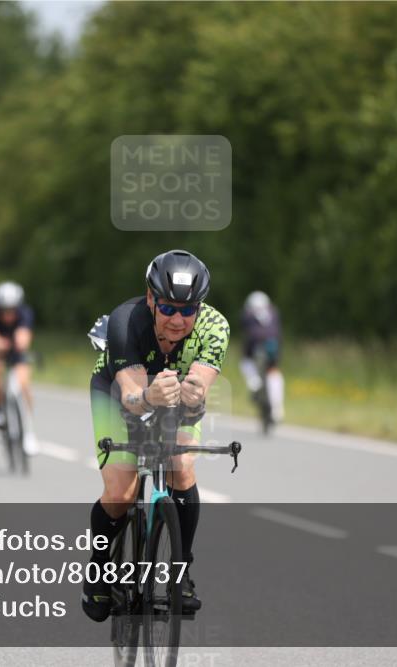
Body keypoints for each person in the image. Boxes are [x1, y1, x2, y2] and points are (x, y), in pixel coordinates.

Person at [82, 249, 230, 622]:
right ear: (151, 299)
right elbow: (131, 395)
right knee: (121, 491)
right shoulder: (124, 321)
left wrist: (193, 394)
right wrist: (148, 396)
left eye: (188, 309)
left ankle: (181, 571)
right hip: (118, 392)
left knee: (181, 465)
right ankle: (99, 568)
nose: (178, 319)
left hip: (175, 396)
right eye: (167, 309)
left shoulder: (215, 327)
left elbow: (199, 384)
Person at [0, 281, 38, 456]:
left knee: (24, 382)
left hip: (16, 350)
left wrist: (20, 340)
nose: (7, 314)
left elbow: (25, 337)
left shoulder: (25, 314)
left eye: (11, 310)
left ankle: (28, 432)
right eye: (3, 310)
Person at [239, 290, 284, 423]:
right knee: (274, 372)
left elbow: (243, 326)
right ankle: (277, 409)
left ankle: (254, 382)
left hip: (253, 347)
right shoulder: (274, 312)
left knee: (245, 362)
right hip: (272, 346)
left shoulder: (247, 313)